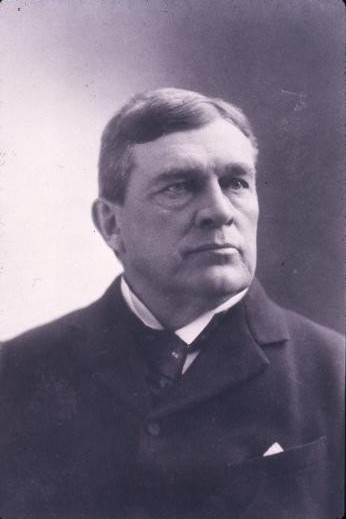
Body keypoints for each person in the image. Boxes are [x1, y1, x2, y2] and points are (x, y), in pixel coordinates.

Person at [0, 88, 344, 519]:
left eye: (236, 183)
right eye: (180, 187)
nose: (219, 211)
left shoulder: (335, 374)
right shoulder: (15, 373)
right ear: (111, 224)